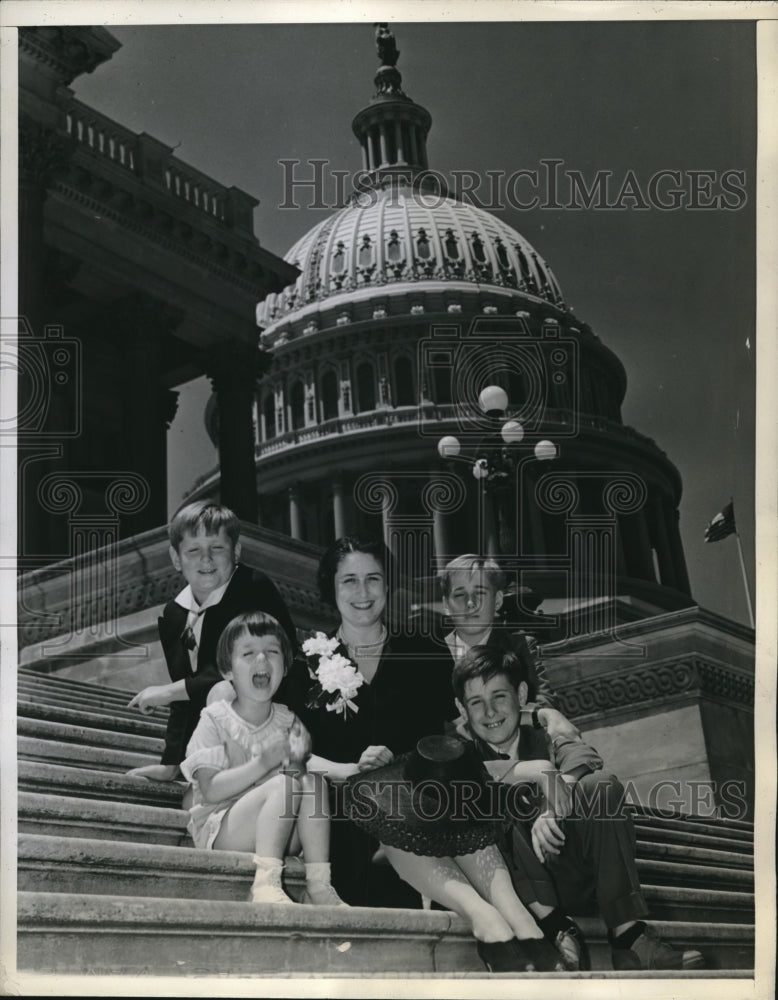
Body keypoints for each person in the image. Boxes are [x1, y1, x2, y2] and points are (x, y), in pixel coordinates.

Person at [451, 644, 706, 971]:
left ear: (522, 693)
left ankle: (627, 937)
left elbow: (584, 756)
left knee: (600, 786)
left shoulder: (545, 733)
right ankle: (555, 929)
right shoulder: (459, 750)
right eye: (476, 702)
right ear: (462, 708)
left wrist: (554, 804)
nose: (489, 712)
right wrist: (533, 771)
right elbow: (467, 782)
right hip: (521, 891)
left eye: (499, 696)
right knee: (491, 800)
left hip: (568, 868)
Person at [281, 534, 456, 907]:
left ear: (387, 584)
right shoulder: (305, 664)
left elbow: (446, 739)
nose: (363, 591)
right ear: (331, 587)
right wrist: (348, 770)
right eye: (349, 580)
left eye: (373, 578)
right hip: (337, 809)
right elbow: (293, 754)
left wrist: (400, 763)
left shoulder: (426, 652)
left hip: (412, 797)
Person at [343, 734, 569, 973]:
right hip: (386, 797)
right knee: (403, 821)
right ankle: (488, 921)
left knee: (511, 905)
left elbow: (480, 765)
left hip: (448, 786)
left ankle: (518, 923)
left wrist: (539, 764)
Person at [180, 611, 343, 906]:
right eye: (248, 653)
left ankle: (318, 884)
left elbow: (297, 784)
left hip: (278, 828)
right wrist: (262, 763)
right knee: (284, 785)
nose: (262, 661)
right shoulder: (215, 719)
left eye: (272, 652)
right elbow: (211, 790)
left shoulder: (287, 720)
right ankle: (265, 882)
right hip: (223, 828)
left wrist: (296, 761)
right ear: (228, 670)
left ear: (285, 666)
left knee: (313, 784)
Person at [126, 501, 297, 781]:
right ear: (176, 558)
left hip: (276, 716)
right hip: (224, 728)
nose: (206, 560)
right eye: (193, 550)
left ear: (236, 551)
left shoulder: (253, 587)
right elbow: (186, 696)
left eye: (217, 548)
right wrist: (171, 763)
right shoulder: (174, 614)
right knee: (216, 694)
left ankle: (235, 785)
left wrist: (168, 691)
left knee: (223, 691)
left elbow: (242, 669)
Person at [439, 554, 578, 741]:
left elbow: (544, 700)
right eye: (459, 595)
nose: (470, 603)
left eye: (480, 593)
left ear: (497, 601)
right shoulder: (433, 655)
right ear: (446, 604)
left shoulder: (520, 646)